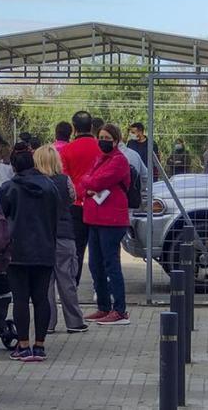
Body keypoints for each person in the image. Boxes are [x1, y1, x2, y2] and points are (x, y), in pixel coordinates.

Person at [0, 143, 59, 362]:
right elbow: (56, 214)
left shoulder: (9, 188)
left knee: (21, 299)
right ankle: (40, 345)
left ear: (14, 167)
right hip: (45, 249)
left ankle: (23, 345)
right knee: (41, 298)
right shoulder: (50, 186)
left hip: (17, 251)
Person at [80, 124, 132, 326]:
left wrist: (89, 183)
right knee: (95, 264)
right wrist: (89, 183)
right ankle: (103, 306)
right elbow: (86, 182)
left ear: (116, 141)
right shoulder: (99, 159)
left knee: (111, 264)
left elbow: (93, 182)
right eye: (100, 137)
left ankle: (119, 310)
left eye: (107, 137)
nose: (102, 141)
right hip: (94, 218)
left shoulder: (119, 161)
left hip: (111, 220)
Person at [36, 145, 86, 335]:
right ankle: (74, 321)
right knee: (67, 280)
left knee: (45, 283)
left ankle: (47, 322)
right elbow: (72, 198)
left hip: (42, 237)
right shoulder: (65, 181)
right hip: (64, 234)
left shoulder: (36, 182)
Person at [60, 111, 102, 281]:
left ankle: (72, 286)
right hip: (99, 203)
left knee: (76, 250)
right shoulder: (101, 148)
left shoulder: (67, 150)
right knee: (99, 250)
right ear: (91, 127)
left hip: (76, 205)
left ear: (74, 128)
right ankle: (99, 289)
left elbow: (64, 179)